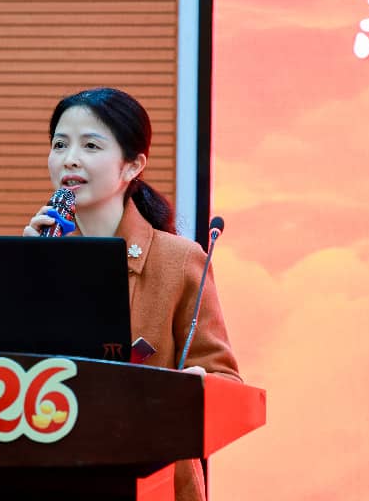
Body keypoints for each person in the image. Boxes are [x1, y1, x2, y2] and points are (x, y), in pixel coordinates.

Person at [23, 87, 241, 501]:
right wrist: (26, 272)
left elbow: (225, 379)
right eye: (60, 144)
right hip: (54, 474)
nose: (70, 159)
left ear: (133, 165)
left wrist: (196, 386)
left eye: (90, 146)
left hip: (150, 481)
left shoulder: (179, 260)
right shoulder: (38, 255)